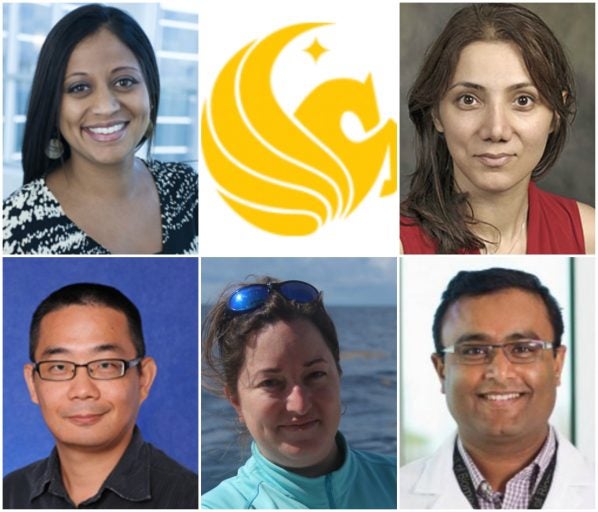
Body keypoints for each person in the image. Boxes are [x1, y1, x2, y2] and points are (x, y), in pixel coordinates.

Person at [400, 4, 595, 254]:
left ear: (556, 114)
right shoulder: (396, 244)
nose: (496, 130)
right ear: (437, 114)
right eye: (468, 99)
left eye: (523, 100)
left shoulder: (590, 237)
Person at [3, 4, 197, 254]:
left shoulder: (189, 190)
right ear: (53, 106)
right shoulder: (13, 228)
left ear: (151, 93)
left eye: (124, 82)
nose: (106, 107)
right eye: (79, 87)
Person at [400, 268, 594, 508]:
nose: (500, 372)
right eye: (474, 351)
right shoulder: (395, 494)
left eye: (523, 348)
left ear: (557, 363)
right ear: (441, 369)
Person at [201, 278, 397, 509]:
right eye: (271, 382)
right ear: (236, 401)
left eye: (315, 375)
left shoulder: (402, 482)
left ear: (338, 374)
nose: (299, 405)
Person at [3, 283, 198, 508]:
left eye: (105, 365)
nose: (83, 391)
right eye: (59, 367)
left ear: (144, 378)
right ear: (32, 383)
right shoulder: (9, 495)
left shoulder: (189, 499)